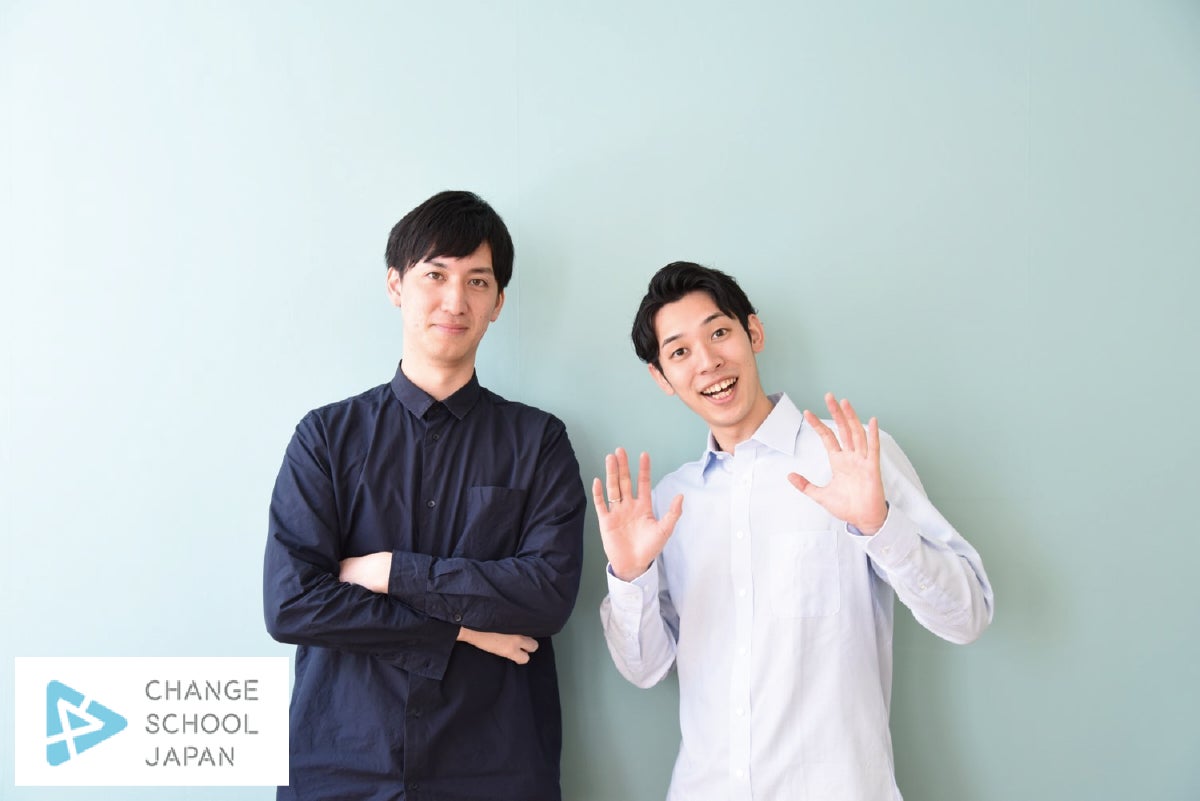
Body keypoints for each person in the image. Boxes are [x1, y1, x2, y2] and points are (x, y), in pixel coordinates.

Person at [594, 261, 993, 800]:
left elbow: (968, 616)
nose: (708, 362)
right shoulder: (667, 507)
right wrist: (629, 575)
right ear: (662, 377)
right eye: (680, 352)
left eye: (719, 333)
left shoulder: (849, 457)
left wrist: (878, 525)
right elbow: (644, 670)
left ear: (753, 333)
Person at [264, 190, 586, 801]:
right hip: (341, 767)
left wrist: (388, 571)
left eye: (477, 281)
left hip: (494, 769)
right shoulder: (326, 437)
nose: (454, 300)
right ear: (396, 285)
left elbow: (545, 597)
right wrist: (463, 632)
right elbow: (292, 604)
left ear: (498, 302)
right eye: (435, 275)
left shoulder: (539, 441)